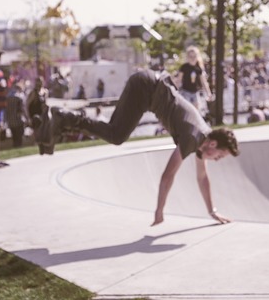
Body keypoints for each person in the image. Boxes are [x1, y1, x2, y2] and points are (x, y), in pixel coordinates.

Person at [38, 69, 240, 226]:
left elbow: (202, 177)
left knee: (115, 131)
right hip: (146, 88)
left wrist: (211, 210)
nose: (215, 159)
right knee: (116, 135)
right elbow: (168, 175)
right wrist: (160, 210)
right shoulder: (193, 137)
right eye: (219, 156)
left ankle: (59, 125)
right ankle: (64, 117)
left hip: (149, 87)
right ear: (213, 144)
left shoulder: (201, 137)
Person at [176, 46, 212, 110]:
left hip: (195, 92)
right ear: (187, 57)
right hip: (185, 91)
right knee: (186, 109)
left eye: (194, 56)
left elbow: (203, 81)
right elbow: (179, 80)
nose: (192, 58)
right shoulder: (184, 67)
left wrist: (208, 93)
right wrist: (176, 91)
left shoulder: (198, 68)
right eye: (190, 56)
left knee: (196, 110)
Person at [26, 76, 52, 155]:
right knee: (37, 132)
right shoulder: (33, 93)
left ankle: (46, 147)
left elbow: (46, 102)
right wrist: (29, 117)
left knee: (45, 131)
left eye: (40, 81)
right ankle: (39, 147)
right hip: (35, 116)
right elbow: (27, 105)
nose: (39, 83)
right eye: (38, 82)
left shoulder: (45, 92)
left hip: (44, 115)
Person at [5, 83, 26, 148]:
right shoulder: (19, 97)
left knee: (14, 137)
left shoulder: (8, 97)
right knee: (19, 137)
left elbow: (6, 110)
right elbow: (21, 109)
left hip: (10, 120)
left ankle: (15, 146)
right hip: (18, 120)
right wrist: (26, 118)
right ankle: (19, 147)